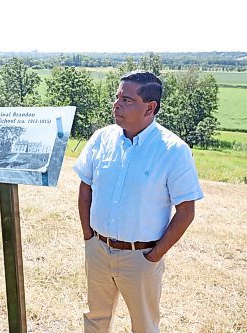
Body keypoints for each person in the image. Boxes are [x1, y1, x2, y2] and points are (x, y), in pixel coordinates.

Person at [74, 71, 203, 333]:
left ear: (150, 107)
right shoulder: (102, 138)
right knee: (95, 319)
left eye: (128, 100)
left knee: (144, 327)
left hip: (141, 257)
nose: (117, 104)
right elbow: (85, 186)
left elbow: (186, 211)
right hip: (98, 249)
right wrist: (88, 237)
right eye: (117, 96)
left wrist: (154, 255)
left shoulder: (173, 151)